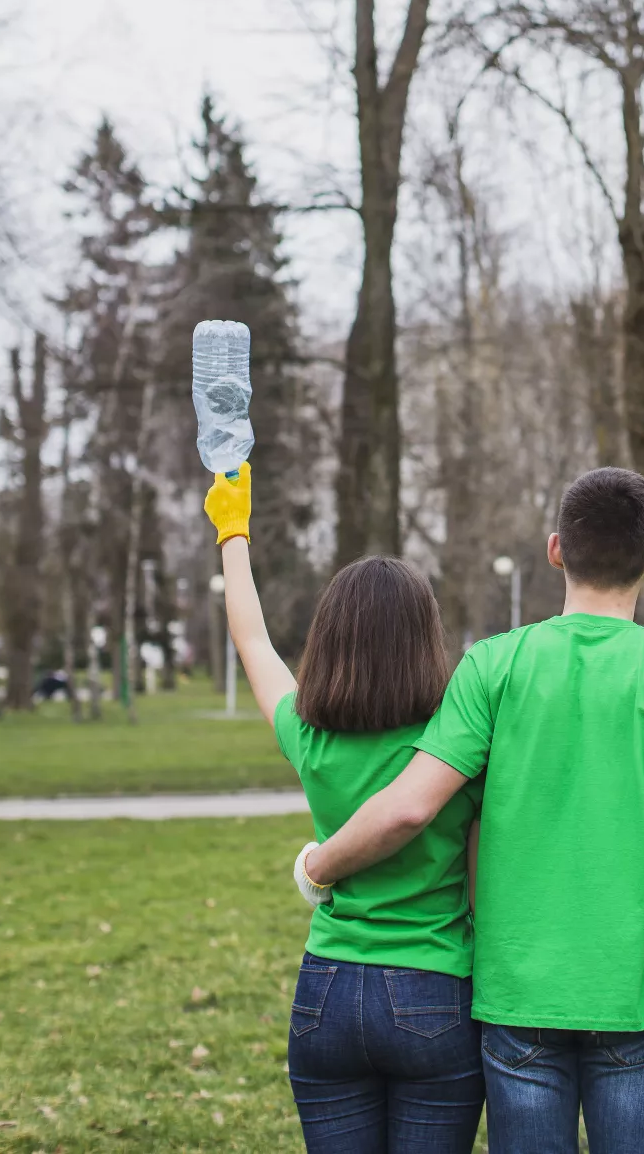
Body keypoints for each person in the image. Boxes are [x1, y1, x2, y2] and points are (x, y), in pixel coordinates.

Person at [295, 467, 644, 1154]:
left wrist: (319, 866)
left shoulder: (490, 666)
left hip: (516, 999)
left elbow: (412, 805)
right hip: (632, 997)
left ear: (555, 550)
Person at [203, 463, 485, 1154]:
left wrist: (233, 532)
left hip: (325, 989)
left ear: (330, 637)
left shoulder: (309, 735)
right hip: (434, 987)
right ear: (425, 638)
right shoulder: (455, 743)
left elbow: (252, 639)